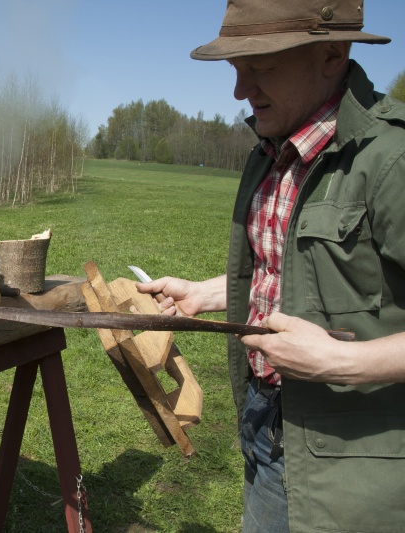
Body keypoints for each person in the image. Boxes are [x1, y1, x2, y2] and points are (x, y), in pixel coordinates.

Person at [136, 1, 405, 532]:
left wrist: (337, 362)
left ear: (331, 54)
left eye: (259, 67)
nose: (240, 90)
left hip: (355, 469)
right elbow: (292, 271)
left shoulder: (391, 160)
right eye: (236, 70)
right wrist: (206, 294)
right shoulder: (269, 152)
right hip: (265, 429)